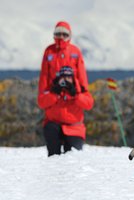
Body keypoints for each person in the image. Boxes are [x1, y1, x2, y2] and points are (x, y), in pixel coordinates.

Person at [37, 21, 94, 156]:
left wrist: (75, 93)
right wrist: (54, 93)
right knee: (54, 157)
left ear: (70, 36)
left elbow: (88, 101)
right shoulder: (49, 52)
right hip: (53, 121)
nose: (61, 37)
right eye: (58, 34)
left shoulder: (75, 52)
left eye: (64, 34)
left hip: (74, 124)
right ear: (53, 35)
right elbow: (41, 98)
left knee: (73, 158)